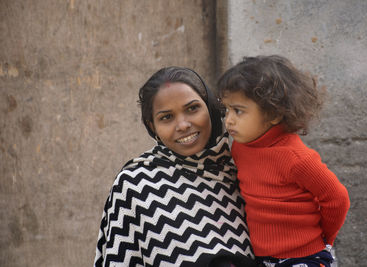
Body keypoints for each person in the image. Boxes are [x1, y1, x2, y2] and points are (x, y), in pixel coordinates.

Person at [94, 67, 257, 267]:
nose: (182, 125)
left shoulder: (237, 173)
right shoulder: (136, 184)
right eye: (166, 117)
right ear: (152, 126)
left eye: (192, 109)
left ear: (211, 108)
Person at [217, 55, 350, 267]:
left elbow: (337, 198)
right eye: (227, 110)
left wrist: (326, 239)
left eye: (238, 111)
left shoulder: (296, 158)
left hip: (305, 257)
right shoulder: (239, 147)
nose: (229, 120)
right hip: (263, 258)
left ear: (274, 114)